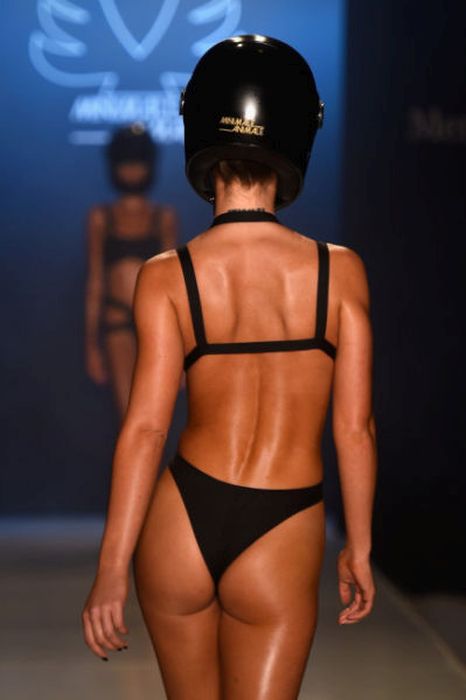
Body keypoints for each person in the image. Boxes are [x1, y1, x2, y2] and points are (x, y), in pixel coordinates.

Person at [81, 35, 377, 698]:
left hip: (180, 520)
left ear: (198, 129)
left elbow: (146, 429)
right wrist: (359, 547)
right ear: (300, 132)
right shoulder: (340, 271)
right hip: (284, 524)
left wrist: (111, 568)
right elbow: (354, 429)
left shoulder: (167, 275)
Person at [84, 123, 179, 418]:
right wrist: (91, 344)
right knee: (128, 413)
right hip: (116, 318)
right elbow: (96, 280)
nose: (132, 170)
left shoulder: (163, 217)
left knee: (155, 412)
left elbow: (174, 283)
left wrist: (182, 345)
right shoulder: (101, 218)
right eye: (127, 162)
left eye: (137, 162)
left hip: (153, 320)